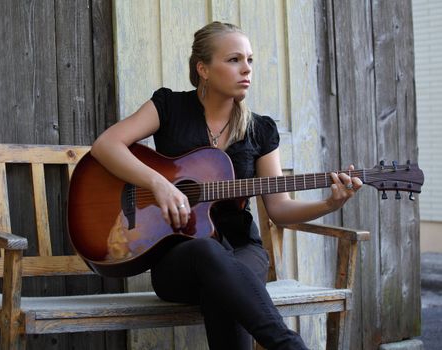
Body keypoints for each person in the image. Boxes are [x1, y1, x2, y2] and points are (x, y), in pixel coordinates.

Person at [91, 21, 362, 350]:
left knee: (227, 285)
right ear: (203, 68)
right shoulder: (169, 107)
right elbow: (106, 145)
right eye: (234, 60)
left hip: (242, 250)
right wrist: (158, 183)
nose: (246, 69)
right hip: (179, 257)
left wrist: (330, 204)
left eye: (249, 60)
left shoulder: (259, 130)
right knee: (210, 254)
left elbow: (279, 209)